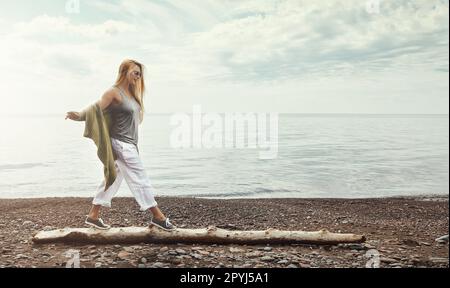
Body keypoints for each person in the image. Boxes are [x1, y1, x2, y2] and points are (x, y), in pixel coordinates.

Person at [65, 59, 176, 231]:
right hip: (121, 144)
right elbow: (96, 108)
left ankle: (93, 216)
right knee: (140, 179)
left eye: (140, 74)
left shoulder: (132, 94)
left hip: (129, 144)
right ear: (124, 71)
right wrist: (79, 115)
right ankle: (158, 216)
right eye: (135, 72)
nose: (138, 77)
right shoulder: (113, 92)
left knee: (112, 179)